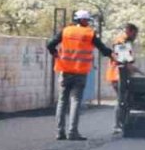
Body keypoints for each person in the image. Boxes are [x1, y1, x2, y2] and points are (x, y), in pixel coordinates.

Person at [47, 10, 114, 141]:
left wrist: (54, 53)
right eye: (87, 20)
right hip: (80, 72)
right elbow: (103, 49)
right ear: (83, 21)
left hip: (65, 70)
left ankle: (60, 132)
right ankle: (73, 132)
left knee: (62, 101)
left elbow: (50, 44)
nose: (88, 22)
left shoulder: (66, 31)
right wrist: (113, 55)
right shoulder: (89, 33)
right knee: (75, 101)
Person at [106, 23, 139, 96]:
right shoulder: (121, 41)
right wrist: (130, 65)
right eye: (134, 34)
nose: (135, 37)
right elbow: (123, 58)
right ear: (128, 31)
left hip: (121, 75)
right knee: (122, 100)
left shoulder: (126, 42)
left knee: (124, 99)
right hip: (118, 75)